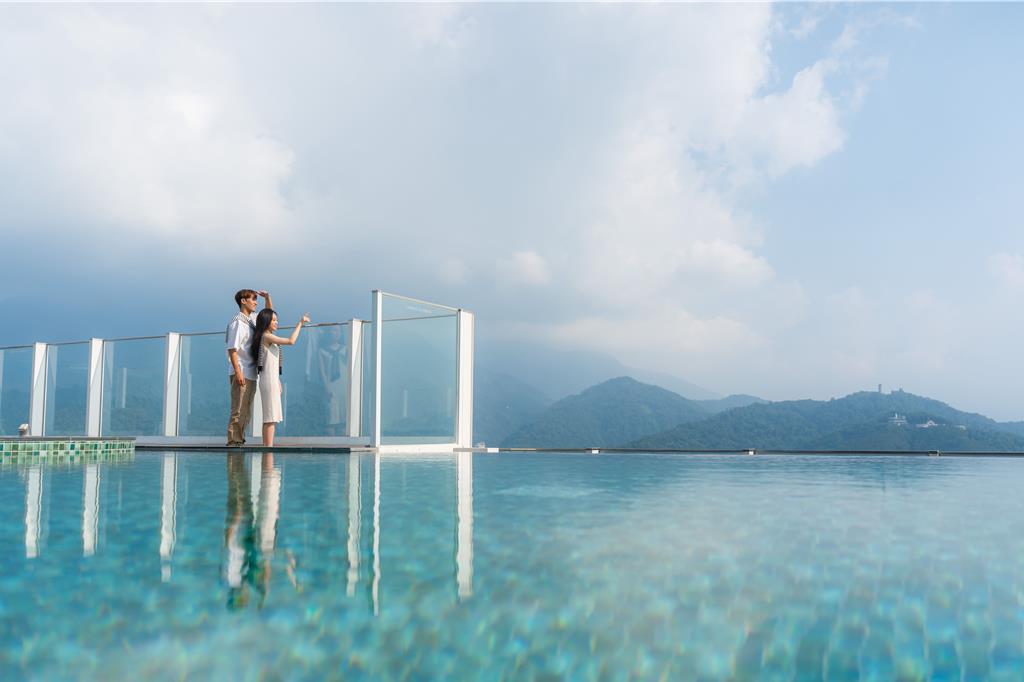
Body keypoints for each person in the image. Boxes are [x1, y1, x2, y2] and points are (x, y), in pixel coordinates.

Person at [250, 308, 311, 447]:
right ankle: (268, 447)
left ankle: (267, 447)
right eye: (273, 320)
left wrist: (277, 380)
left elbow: (271, 362)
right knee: (270, 417)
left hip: (271, 379)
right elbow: (291, 341)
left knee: (270, 417)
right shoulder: (267, 336)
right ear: (266, 321)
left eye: (276, 320)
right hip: (268, 380)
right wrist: (300, 323)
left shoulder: (267, 336)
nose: (276, 323)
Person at [225, 289, 272, 446]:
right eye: (253, 299)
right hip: (241, 371)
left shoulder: (250, 319)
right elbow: (232, 349)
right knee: (238, 409)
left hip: (251, 373)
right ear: (243, 301)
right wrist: (238, 372)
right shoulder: (237, 322)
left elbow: (268, 316)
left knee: (246, 410)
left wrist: (268, 298)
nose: (255, 302)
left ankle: (240, 440)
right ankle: (233, 441)